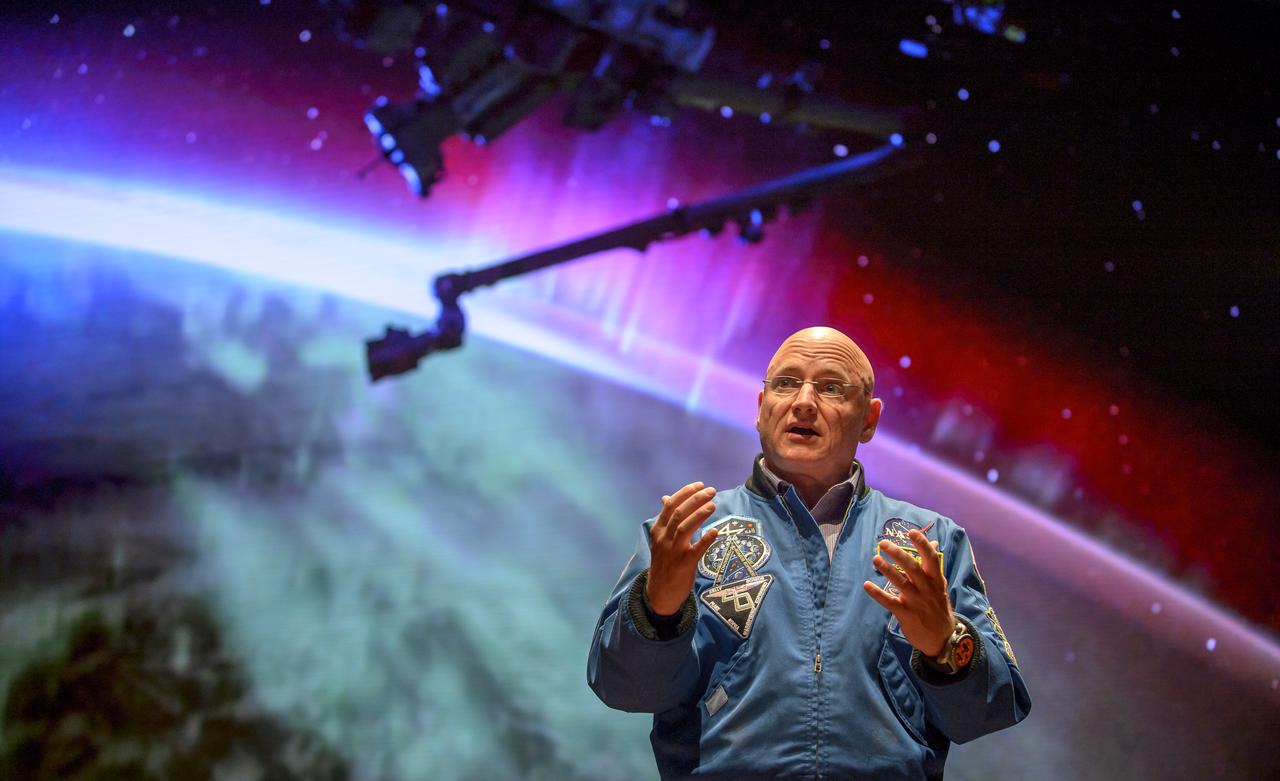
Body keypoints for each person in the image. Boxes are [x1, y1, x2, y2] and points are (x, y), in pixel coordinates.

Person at [587, 326, 1031, 780]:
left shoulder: (930, 540)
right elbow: (625, 689)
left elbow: (990, 711)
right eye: (784, 383)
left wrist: (945, 644)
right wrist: (656, 612)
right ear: (762, 410)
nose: (802, 402)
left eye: (831, 388)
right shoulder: (688, 531)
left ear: (869, 420)